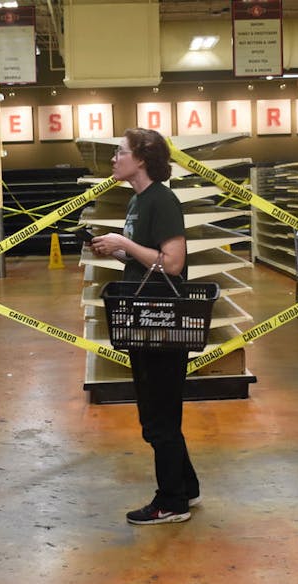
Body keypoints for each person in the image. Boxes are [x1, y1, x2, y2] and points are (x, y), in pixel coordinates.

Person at [88, 128, 200, 525]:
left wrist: (125, 242)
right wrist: (120, 250)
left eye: (120, 152)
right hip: (145, 316)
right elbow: (146, 262)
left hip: (163, 322)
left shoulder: (163, 200)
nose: (114, 159)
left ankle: (172, 502)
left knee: (159, 414)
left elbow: (172, 263)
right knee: (159, 409)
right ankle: (186, 485)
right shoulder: (138, 202)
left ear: (141, 158)